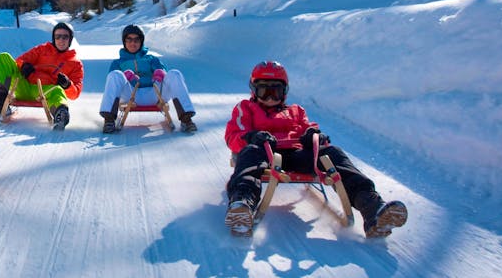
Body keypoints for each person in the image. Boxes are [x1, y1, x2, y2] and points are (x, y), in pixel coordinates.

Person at [223, 60, 408, 238]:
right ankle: (242, 204)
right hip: (263, 153)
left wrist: (313, 135)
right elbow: (233, 136)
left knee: (333, 153)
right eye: (264, 91)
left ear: (284, 92)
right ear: (254, 90)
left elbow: (308, 127)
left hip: (296, 155)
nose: (270, 98)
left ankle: (373, 207)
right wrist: (251, 136)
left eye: (275, 91)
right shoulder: (246, 108)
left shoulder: (296, 111)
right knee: (249, 153)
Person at [99, 24, 197, 134]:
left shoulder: (151, 59)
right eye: (129, 39)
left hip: (155, 94)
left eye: (136, 39)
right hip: (130, 95)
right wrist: (124, 76)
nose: (133, 43)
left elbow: (163, 72)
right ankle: (109, 120)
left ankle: (186, 120)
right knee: (115, 74)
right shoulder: (118, 63)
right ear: (124, 41)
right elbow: (111, 81)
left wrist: (160, 73)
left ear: (141, 41)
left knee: (174, 73)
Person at [0, 21, 84, 131]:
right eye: (57, 37)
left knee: (57, 90)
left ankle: (60, 114)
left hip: (45, 92)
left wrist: (67, 85)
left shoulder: (75, 63)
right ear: (54, 38)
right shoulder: (42, 49)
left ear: (70, 39)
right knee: (3, 57)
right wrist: (24, 65)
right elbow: (20, 60)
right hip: (24, 85)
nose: (61, 40)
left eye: (65, 37)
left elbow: (75, 93)